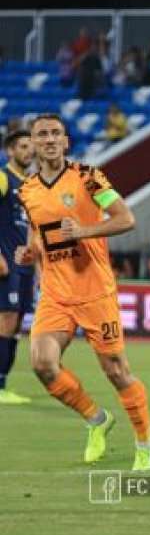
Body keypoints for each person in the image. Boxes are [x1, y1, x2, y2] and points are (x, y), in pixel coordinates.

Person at [16, 114, 150, 470]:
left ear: (65, 141)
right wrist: (31, 251)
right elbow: (39, 232)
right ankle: (96, 419)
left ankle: (146, 444)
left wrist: (83, 231)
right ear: (32, 144)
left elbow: (126, 219)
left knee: (116, 372)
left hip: (96, 292)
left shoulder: (89, 178)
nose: (49, 140)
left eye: (55, 134)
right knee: (42, 364)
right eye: (41, 135)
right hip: (55, 295)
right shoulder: (27, 190)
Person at [0, 131, 34, 404]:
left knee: (18, 321)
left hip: (26, 265)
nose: (29, 151)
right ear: (10, 150)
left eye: (30, 147)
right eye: (23, 146)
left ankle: (4, 383)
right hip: (6, 262)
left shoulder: (30, 184)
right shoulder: (3, 178)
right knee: (7, 319)